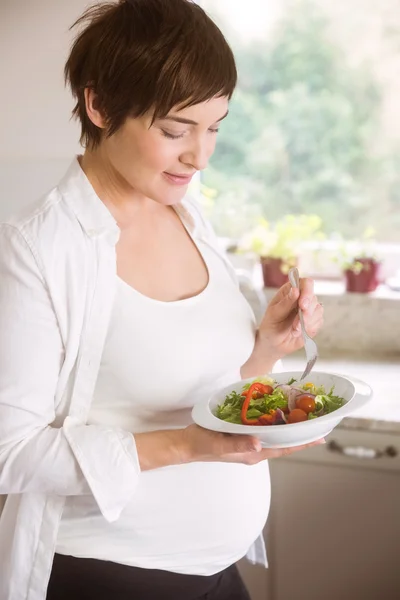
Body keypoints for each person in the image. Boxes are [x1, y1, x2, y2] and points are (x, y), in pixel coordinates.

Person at [0, 1, 324, 599]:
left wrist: (265, 349)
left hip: (219, 572)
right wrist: (186, 448)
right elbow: (10, 452)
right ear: (99, 107)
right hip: (112, 576)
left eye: (215, 127)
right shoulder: (37, 249)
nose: (200, 156)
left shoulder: (188, 214)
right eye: (176, 130)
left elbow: (202, 391)